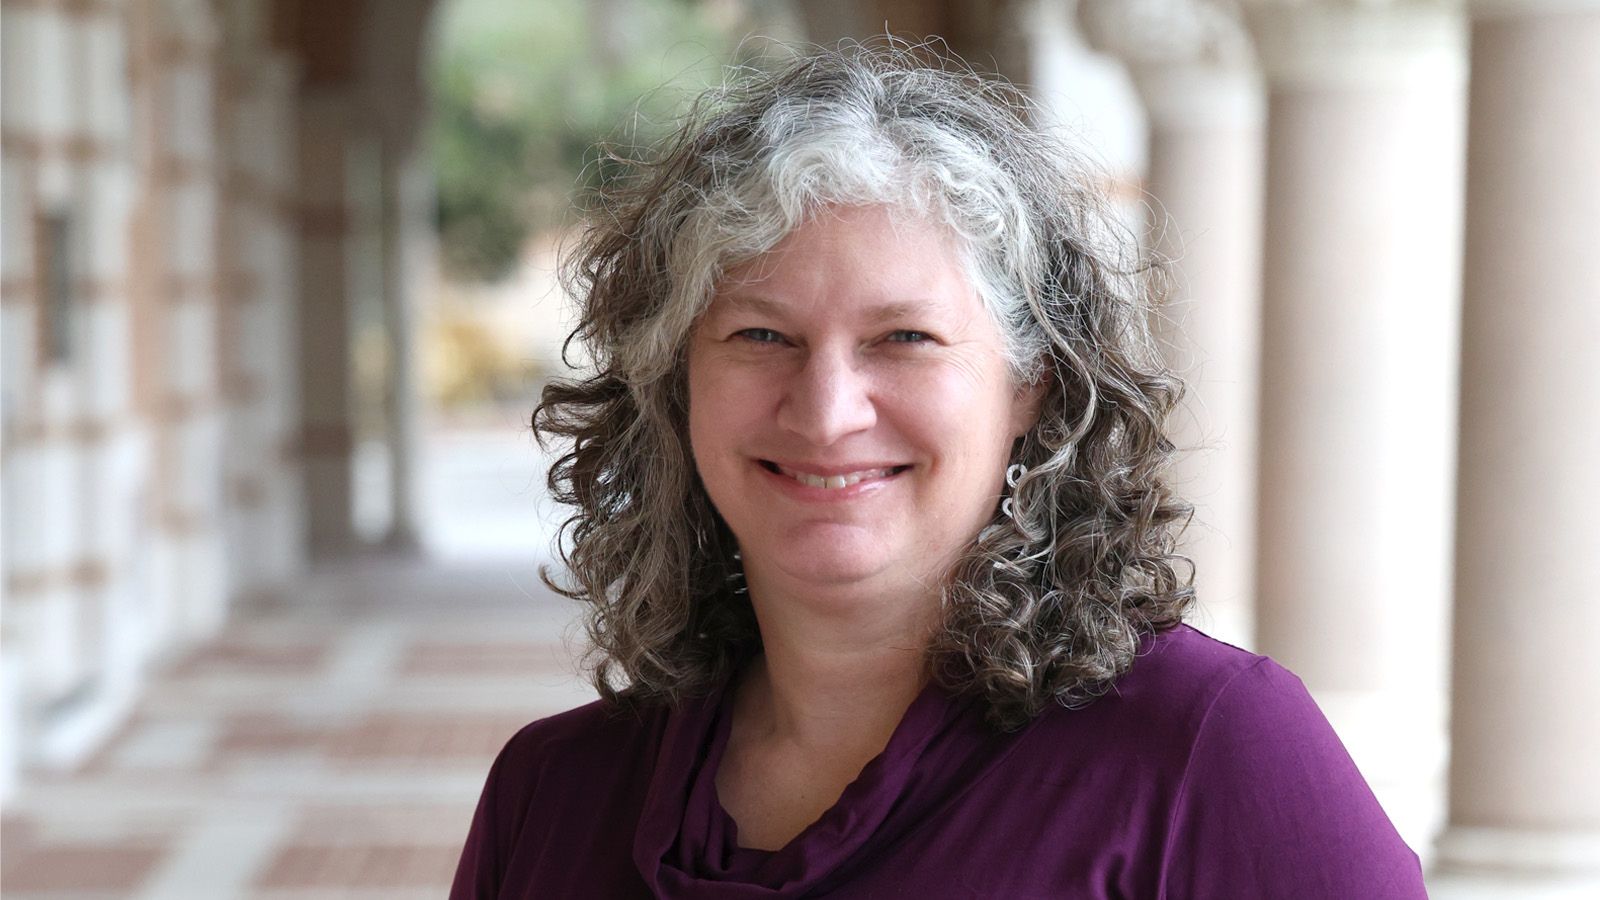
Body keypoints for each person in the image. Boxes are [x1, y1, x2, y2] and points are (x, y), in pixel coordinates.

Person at [450, 44, 1426, 899]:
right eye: (761, 333)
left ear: (1030, 389)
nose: (827, 410)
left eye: (904, 338)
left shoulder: (1211, 760)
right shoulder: (553, 795)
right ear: (677, 385)